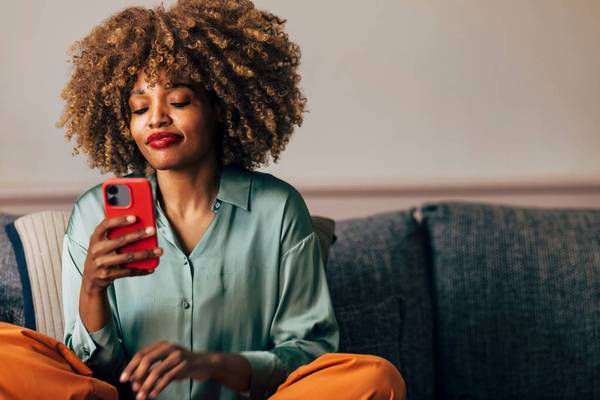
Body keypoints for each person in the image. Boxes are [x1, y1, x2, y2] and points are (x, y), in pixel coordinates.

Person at [56, 1, 406, 399]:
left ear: (219, 107)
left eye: (179, 101)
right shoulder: (94, 214)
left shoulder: (278, 210)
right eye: (140, 107)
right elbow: (87, 373)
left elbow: (310, 354)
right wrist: (92, 290)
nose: (156, 119)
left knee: (375, 377)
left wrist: (211, 364)